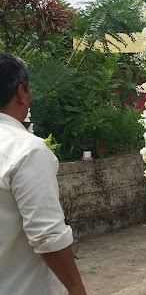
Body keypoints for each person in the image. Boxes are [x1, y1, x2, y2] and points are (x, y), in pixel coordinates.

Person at [0, 54, 87, 295]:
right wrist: (77, 288)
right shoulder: (26, 151)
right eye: (28, 90)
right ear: (20, 92)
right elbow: (48, 236)